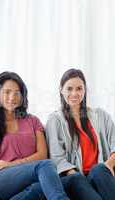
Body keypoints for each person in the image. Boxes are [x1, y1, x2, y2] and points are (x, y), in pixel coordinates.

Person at [0, 71, 70, 200]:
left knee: (56, 183)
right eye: (7, 92)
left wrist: (11, 164)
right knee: (45, 165)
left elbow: (42, 154)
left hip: (28, 177)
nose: (12, 97)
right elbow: (42, 162)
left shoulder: (32, 121)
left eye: (17, 93)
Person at [45, 68, 115, 200]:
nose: (74, 93)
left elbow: (114, 143)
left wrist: (109, 165)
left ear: (85, 90)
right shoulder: (55, 120)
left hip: (102, 174)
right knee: (79, 178)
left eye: (79, 88)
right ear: (61, 90)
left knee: (99, 169)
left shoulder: (101, 115)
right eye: (69, 89)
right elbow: (57, 158)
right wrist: (79, 178)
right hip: (76, 178)